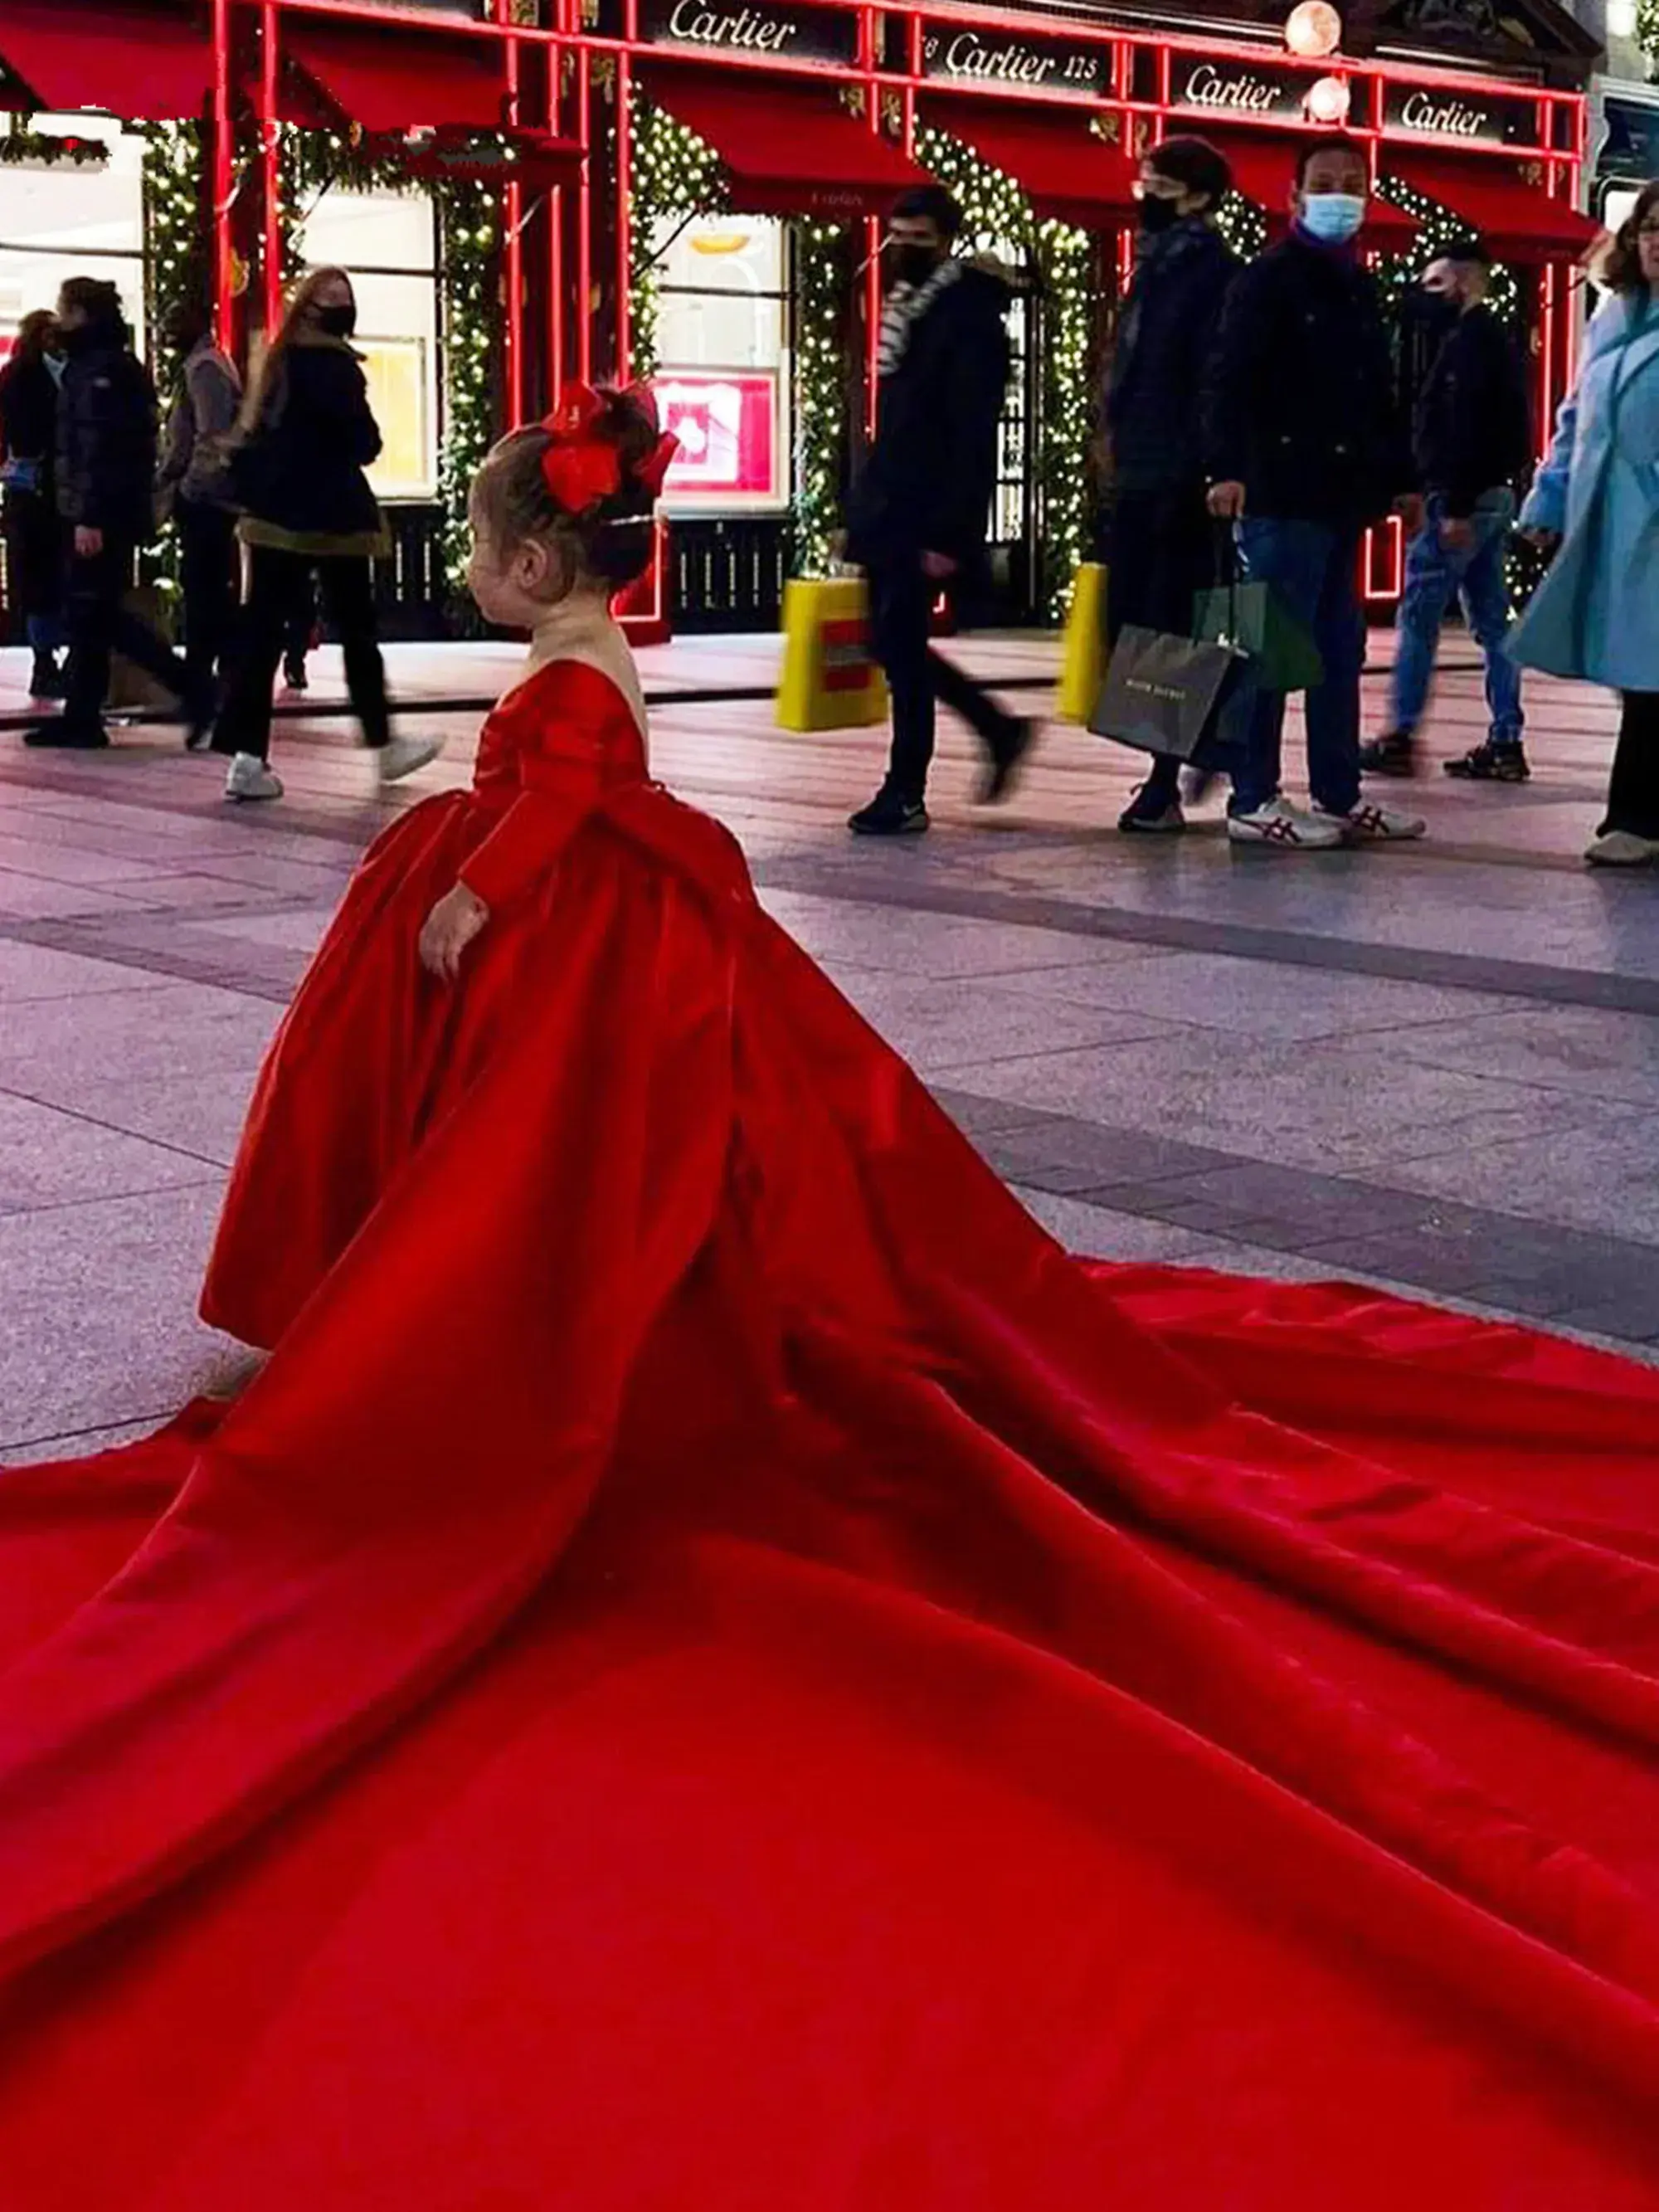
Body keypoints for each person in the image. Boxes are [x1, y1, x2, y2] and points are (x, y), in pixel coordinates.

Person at [1, 386, 1659, 2212]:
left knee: (535, 1161)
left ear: (542, 558)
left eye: (478, 545)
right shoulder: (583, 649)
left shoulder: (565, 677)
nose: (468, 568)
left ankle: (516, 1315)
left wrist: (471, 899)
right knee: (603, 1159)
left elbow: (565, 795)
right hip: (630, 935)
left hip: (569, 943)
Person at [1204, 135, 1426, 850]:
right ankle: (1252, 796)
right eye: (1325, 183)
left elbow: (1377, 392)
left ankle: (1338, 791)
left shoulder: (1358, 283)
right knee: (1270, 651)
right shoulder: (1267, 280)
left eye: (1352, 184)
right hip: (1279, 493)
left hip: (1340, 499)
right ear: (1295, 197)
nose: (1340, 197)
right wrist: (1227, 468)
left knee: (1337, 649)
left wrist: (1401, 479)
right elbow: (1229, 379)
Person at [211, 267, 437, 802]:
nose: (343, 306)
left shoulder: (278, 359)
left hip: (273, 512)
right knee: (356, 629)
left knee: (262, 633)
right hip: (334, 515)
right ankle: (383, 741)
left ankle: (246, 756)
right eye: (336, 297)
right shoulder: (336, 367)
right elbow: (364, 442)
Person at [844, 185, 1029, 836]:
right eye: (897, 236)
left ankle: (907, 789)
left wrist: (949, 532)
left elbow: (972, 434)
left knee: (900, 645)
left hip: (924, 511)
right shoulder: (908, 305)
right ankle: (996, 729)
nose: (904, 249)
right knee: (889, 643)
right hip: (890, 503)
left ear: (946, 242)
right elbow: (896, 423)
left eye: (918, 239)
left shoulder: (967, 317)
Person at [1509, 183, 1659, 868]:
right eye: (1649, 228)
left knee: (1649, 670)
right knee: (1636, 669)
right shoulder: (1615, 314)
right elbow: (1576, 416)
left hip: (1649, 521)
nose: (1656, 243)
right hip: (1612, 520)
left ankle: (1635, 815)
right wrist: (1547, 500)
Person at [1102, 135, 1240, 836]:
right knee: (1136, 621)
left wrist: (1215, 464)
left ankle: (1165, 779)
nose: (1144, 195)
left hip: (1181, 473)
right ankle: (1205, 740)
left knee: (1173, 623)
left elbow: (1214, 373)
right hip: (1141, 465)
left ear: (1199, 197)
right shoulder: (1155, 264)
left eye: (1158, 185)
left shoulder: (1213, 271)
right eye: (1144, 182)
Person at [1360, 239, 1533, 784]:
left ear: (1462, 281)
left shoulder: (1467, 346)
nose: (1425, 295)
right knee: (1492, 621)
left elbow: (1462, 426)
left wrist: (1453, 502)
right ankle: (1506, 738)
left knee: (1419, 616)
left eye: (1435, 282)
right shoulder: (1494, 340)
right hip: (1492, 496)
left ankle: (1400, 734)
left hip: (1463, 499)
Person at [28, 276, 206, 752]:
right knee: (92, 615)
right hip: (109, 510)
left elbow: (97, 446)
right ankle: (83, 716)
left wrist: (88, 515)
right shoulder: (105, 365)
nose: (58, 318)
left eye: (64, 308)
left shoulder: (97, 372)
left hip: (99, 514)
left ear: (81, 314)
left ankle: (194, 689)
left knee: (100, 614)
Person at [155, 297, 243, 709]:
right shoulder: (204, 363)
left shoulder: (205, 367)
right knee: (208, 587)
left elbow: (212, 435)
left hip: (208, 498)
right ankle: (211, 671)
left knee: (204, 589)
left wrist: (189, 488)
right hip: (210, 495)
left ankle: (204, 674)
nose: (167, 329)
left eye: (177, 319)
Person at [0, 308, 66, 702]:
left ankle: (46, 659)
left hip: (27, 489)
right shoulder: (33, 379)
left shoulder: (15, 376)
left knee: (38, 580)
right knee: (45, 577)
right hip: (40, 489)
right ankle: (47, 661)